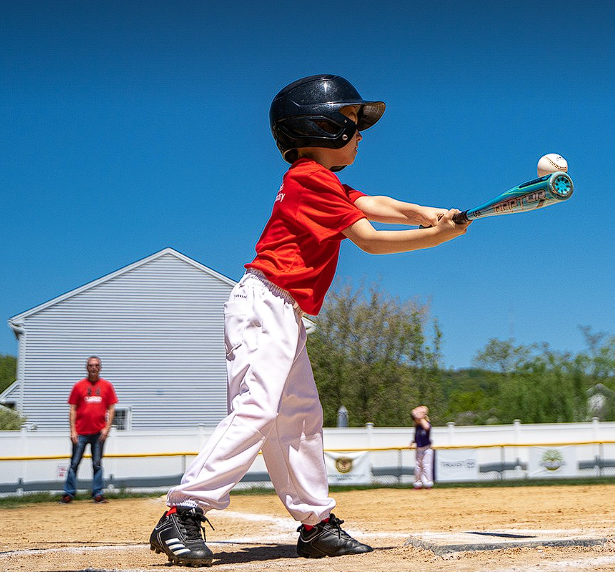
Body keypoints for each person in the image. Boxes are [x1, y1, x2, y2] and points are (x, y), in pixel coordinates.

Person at [149, 74, 469, 567]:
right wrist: (436, 237)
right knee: (258, 409)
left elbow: (378, 205)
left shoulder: (323, 182)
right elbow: (369, 237)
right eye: (350, 121)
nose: (359, 132)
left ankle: (315, 524)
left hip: (283, 309)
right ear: (317, 126)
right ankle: (183, 510)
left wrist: (430, 213)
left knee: (298, 419)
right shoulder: (310, 180)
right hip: (264, 305)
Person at [60, 356, 117, 504]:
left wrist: (107, 428)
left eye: (96, 365)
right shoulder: (78, 386)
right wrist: (72, 430)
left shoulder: (107, 386)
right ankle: (68, 493)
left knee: (97, 463)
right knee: (74, 463)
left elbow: (111, 408)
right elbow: (73, 409)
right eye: (91, 365)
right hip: (80, 433)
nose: (94, 368)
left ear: (100, 367)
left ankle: (98, 493)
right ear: (87, 367)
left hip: (99, 433)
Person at [410, 405, 433, 489]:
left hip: (427, 448)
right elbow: (416, 436)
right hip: (419, 448)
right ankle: (418, 484)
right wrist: (413, 441)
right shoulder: (417, 426)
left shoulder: (426, 424)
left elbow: (426, 427)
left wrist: (421, 416)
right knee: (418, 466)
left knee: (426, 465)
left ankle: (428, 483)